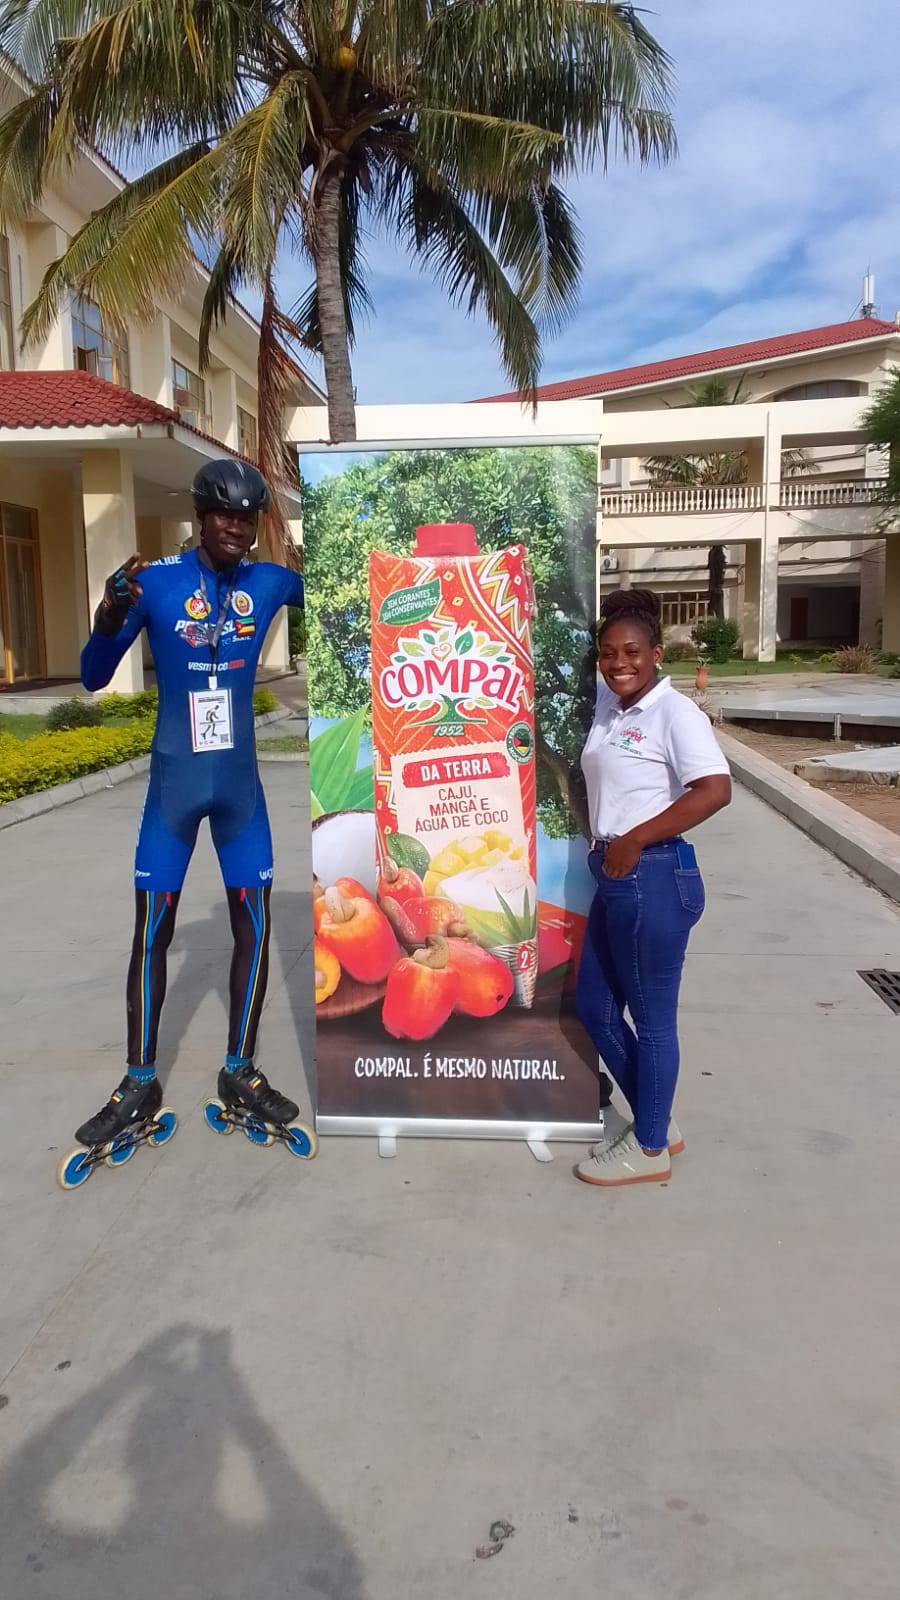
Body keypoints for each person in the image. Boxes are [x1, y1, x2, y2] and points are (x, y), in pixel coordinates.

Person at [74, 459, 305, 1148]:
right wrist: (110, 611)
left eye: (247, 516)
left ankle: (241, 1072)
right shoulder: (156, 582)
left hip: (240, 797)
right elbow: (92, 675)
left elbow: (357, 593)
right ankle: (138, 1083)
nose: (236, 526)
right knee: (152, 935)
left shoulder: (270, 582)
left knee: (255, 929)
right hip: (173, 793)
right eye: (224, 513)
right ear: (201, 515)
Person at [574, 589, 731, 1188]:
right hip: (616, 876)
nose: (619, 663)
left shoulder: (673, 712)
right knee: (594, 1006)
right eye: (608, 653)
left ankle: (648, 1148)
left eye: (632, 652)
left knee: (653, 1019)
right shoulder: (612, 707)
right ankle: (657, 1119)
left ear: (657, 654)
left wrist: (635, 839)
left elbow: (714, 789)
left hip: (653, 875)